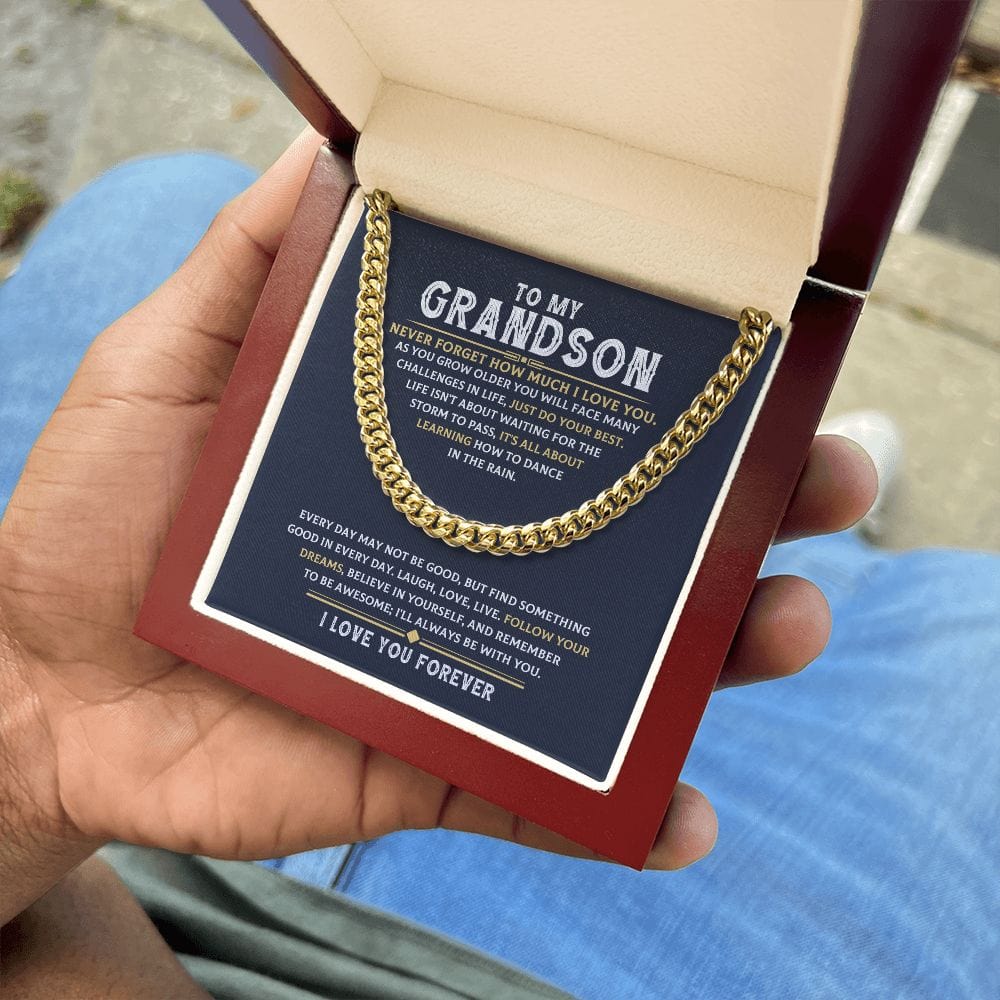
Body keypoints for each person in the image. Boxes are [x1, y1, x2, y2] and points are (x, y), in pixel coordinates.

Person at [0, 132, 996, 999]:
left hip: (85, 843)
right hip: (535, 949)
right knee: (963, 626)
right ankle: (838, 544)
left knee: (157, 197)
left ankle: (814, 528)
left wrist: (42, 737)